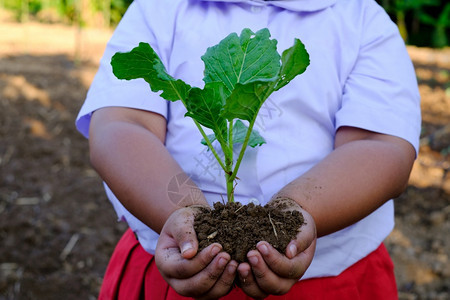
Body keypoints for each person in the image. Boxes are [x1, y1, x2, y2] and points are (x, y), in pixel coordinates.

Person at [76, 0, 421, 299]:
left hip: (329, 279)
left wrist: (296, 213)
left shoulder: (362, 19)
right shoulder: (160, 8)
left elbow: (380, 145)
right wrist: (180, 213)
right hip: (175, 266)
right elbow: (121, 125)